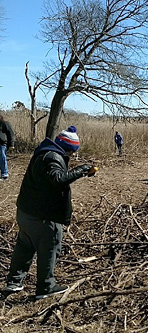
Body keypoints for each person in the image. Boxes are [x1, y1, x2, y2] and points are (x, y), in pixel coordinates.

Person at [6, 126, 95, 300]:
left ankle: (14, 282)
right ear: (69, 148)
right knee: (50, 246)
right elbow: (58, 180)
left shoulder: (43, 152)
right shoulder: (53, 157)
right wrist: (80, 171)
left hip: (25, 211)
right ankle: (46, 287)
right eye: (72, 152)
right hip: (42, 216)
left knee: (25, 246)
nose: (71, 156)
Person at [0, 115, 15, 179]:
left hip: (2, 144)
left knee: (2, 157)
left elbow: (10, 134)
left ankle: (4, 173)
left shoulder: (5, 124)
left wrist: (12, 145)